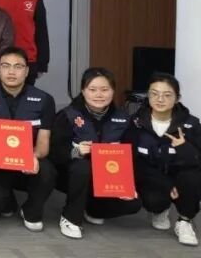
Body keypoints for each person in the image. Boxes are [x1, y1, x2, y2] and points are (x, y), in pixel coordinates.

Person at [50, 66, 141, 239]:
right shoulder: (68, 115)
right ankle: (71, 217)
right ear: (83, 91)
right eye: (92, 90)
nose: (99, 95)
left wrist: (128, 183)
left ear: (113, 91)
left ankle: (93, 210)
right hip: (71, 176)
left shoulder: (123, 119)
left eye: (105, 90)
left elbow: (133, 155)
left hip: (109, 177)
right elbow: (54, 152)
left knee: (133, 204)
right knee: (82, 167)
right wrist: (76, 151)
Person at [0, 46, 57, 232]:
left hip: (29, 161)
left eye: (18, 66)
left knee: (48, 172)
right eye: (6, 66)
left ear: (27, 71)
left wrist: (33, 156)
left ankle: (31, 210)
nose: (11, 71)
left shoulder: (44, 99)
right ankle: (8, 201)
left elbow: (44, 144)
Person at [129, 72, 201, 246]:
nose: (160, 99)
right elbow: (133, 161)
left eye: (167, 95)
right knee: (154, 201)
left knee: (192, 177)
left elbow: (197, 161)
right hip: (152, 178)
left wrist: (184, 148)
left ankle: (185, 221)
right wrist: (166, 185)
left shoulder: (191, 124)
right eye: (154, 94)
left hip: (181, 176)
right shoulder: (136, 122)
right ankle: (161, 210)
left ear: (177, 98)